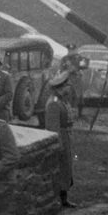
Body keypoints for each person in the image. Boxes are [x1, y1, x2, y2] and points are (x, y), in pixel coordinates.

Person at [42, 73, 76, 208]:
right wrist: (58, 145)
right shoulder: (54, 103)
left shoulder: (62, 100)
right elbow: (53, 128)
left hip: (66, 137)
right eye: (66, 86)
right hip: (60, 138)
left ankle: (63, 198)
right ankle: (59, 199)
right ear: (61, 87)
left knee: (66, 168)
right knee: (60, 168)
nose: (68, 89)